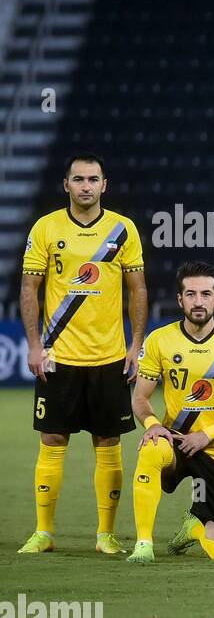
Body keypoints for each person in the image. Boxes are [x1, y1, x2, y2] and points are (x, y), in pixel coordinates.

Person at [18, 152, 146, 555]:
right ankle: (44, 532)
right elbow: (29, 288)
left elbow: (137, 289)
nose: (86, 186)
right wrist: (36, 345)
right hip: (59, 357)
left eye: (93, 179)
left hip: (109, 357)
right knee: (52, 438)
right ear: (66, 185)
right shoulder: (45, 228)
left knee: (108, 443)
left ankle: (105, 535)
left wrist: (136, 344)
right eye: (79, 179)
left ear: (104, 185)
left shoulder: (123, 230)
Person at [127, 262, 214, 563]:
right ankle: (143, 544)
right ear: (180, 300)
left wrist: (207, 434)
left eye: (205, 294)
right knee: (151, 448)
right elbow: (140, 398)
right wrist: (152, 424)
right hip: (175, 441)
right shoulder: (159, 340)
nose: (198, 301)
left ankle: (195, 526)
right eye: (190, 294)